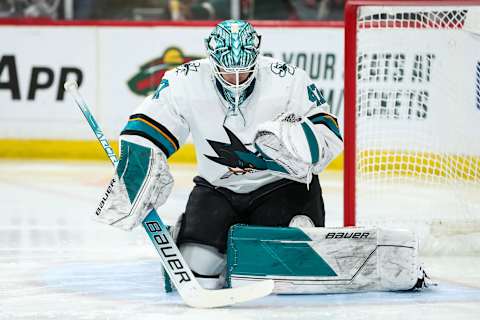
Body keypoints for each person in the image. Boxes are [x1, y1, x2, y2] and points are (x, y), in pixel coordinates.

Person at [94, 20, 343, 289]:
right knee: (199, 275)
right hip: (218, 189)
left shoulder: (288, 79)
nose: (235, 82)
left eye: (243, 73)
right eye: (227, 73)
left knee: (288, 272)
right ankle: (195, 240)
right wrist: (138, 168)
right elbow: (146, 128)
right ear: (212, 60)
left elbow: (328, 135)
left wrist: (302, 142)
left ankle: (287, 237)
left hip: (280, 188)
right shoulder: (184, 81)